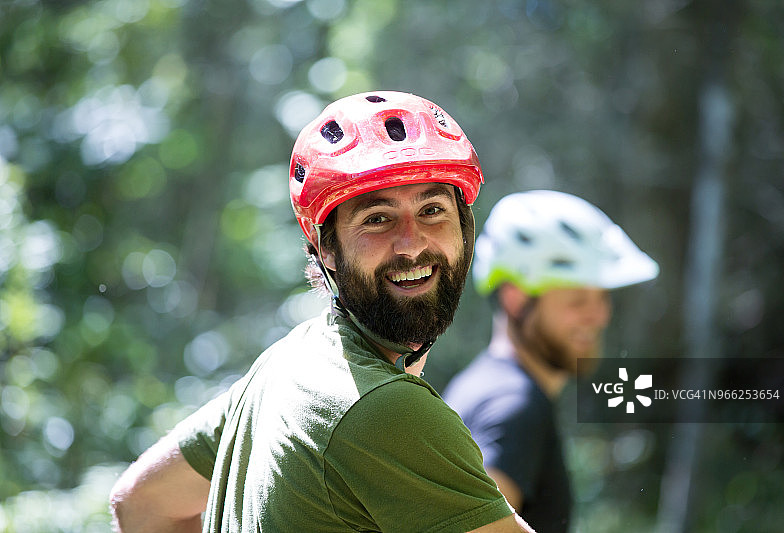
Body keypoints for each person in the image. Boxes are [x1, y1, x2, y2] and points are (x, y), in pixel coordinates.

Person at [109, 91, 535, 533]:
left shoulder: (288, 363)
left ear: (465, 229)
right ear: (324, 246)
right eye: (376, 218)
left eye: (432, 211)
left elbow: (142, 503)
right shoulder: (387, 410)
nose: (411, 243)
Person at [442, 190, 659, 533]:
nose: (599, 316)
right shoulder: (515, 405)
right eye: (577, 300)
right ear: (516, 300)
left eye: (602, 296)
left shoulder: (478, 384)